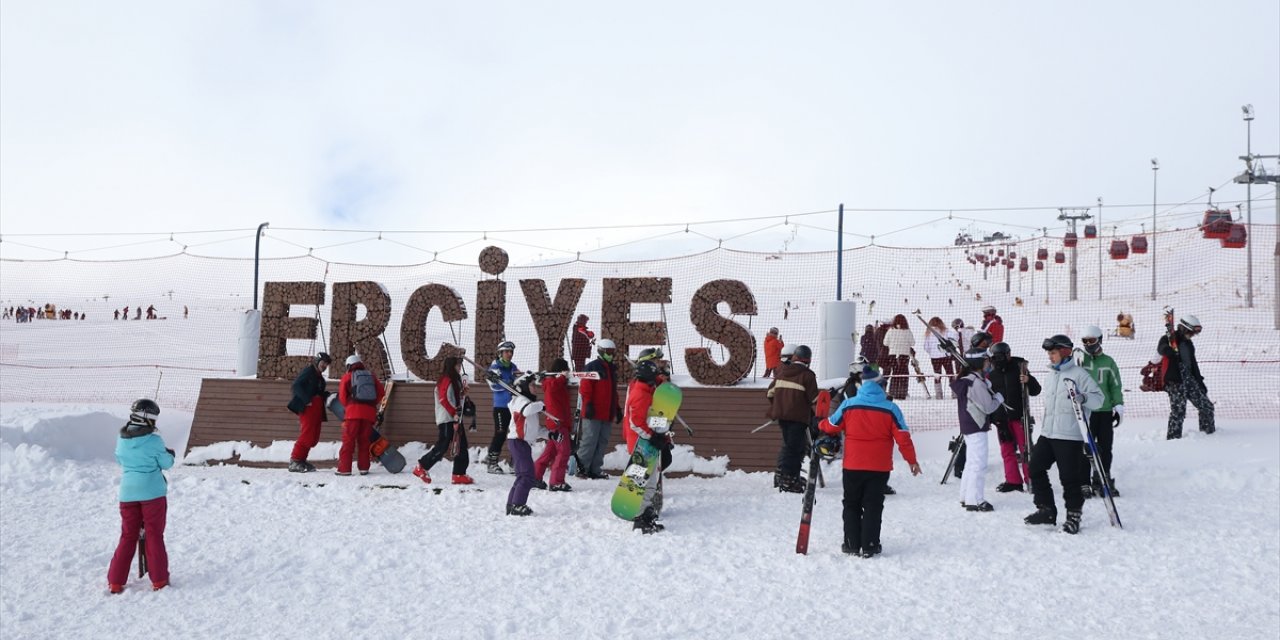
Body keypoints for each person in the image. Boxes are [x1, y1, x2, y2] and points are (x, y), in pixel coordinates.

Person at [818, 365, 921, 558]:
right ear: (880, 385)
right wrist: (912, 461)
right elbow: (903, 437)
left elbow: (832, 425)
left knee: (851, 504)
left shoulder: (849, 405)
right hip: (879, 467)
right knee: (873, 505)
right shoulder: (891, 408)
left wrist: (820, 423)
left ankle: (851, 544)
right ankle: (870, 545)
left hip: (853, 465)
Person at [1024, 335, 1103, 535]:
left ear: (1065, 352)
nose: (1050, 356)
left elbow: (1098, 400)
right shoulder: (1051, 374)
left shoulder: (1079, 374)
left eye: (1053, 352)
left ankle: (1073, 516)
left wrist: (1082, 397)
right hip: (1049, 432)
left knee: (1069, 477)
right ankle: (1046, 509)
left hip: (1069, 435)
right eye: (1049, 353)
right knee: (1035, 468)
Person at [107, 399, 175, 593]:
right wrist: (169, 454)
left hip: (128, 494)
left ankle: (115, 581)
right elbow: (167, 463)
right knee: (154, 534)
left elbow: (120, 458)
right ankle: (159, 579)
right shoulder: (154, 440)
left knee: (128, 535)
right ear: (150, 419)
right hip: (153, 494)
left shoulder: (122, 438)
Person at [623, 357, 673, 533]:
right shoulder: (640, 395)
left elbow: (656, 386)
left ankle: (645, 514)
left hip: (647, 444)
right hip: (640, 445)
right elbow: (635, 423)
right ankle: (639, 518)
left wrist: (663, 382)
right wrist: (653, 437)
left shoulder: (646, 388)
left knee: (651, 481)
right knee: (642, 483)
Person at [951, 351, 1003, 512]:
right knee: (978, 464)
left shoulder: (970, 380)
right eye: (987, 361)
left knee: (971, 462)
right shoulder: (976, 383)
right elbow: (988, 407)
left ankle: (965, 495)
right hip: (976, 425)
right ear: (980, 362)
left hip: (969, 425)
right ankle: (975, 500)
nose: (989, 364)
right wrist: (998, 399)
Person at [986, 342, 1041, 493]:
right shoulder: (991, 375)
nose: (1000, 359)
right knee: (1007, 450)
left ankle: (1032, 480)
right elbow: (989, 399)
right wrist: (993, 419)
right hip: (1002, 420)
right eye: (996, 357)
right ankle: (1013, 481)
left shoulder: (1019, 369)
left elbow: (1036, 391)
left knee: (1026, 450)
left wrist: (1029, 380)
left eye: (1003, 356)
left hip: (1019, 417)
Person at [412, 356, 475, 485]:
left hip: (455, 417)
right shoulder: (446, 379)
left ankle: (459, 473)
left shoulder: (454, 379)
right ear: (451, 366)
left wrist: (463, 394)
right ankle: (421, 466)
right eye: (457, 365)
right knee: (443, 445)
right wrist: (454, 414)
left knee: (461, 446)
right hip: (447, 418)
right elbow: (444, 399)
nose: (459, 367)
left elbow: (452, 397)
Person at [1077, 326, 1124, 496]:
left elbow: (1115, 385)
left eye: (1092, 341)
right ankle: (1083, 482)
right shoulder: (1081, 361)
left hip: (1104, 411)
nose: (1088, 344)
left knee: (1105, 446)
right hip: (1086, 411)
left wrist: (1118, 405)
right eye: (1085, 341)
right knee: (1085, 447)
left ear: (1100, 340)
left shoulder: (1108, 362)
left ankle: (1103, 478)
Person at [766, 344, 819, 493]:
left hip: (782, 417)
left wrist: (779, 405)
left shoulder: (782, 372)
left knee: (788, 446)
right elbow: (814, 399)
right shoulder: (808, 375)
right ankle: (789, 480)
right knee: (796, 449)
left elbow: (770, 393)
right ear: (808, 360)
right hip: (798, 418)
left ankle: (782, 474)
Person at [1157, 315, 1214, 439]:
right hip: (1175, 381)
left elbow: (1193, 365)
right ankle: (1173, 439)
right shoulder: (1168, 339)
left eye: (1194, 333)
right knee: (1178, 412)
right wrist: (1169, 351)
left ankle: (1207, 435)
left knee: (1207, 407)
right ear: (1184, 328)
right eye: (1191, 332)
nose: (1193, 335)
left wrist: (1200, 383)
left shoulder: (1188, 344)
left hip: (1189, 379)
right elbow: (1161, 348)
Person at [576, 339, 621, 479]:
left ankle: (595, 469)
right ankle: (582, 468)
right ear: (601, 351)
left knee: (602, 441)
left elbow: (613, 392)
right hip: (593, 412)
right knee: (589, 440)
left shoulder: (612, 369)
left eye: (612, 352)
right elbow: (585, 387)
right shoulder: (592, 366)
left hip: (607, 412)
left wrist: (617, 408)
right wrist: (588, 404)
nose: (611, 355)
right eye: (608, 352)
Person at [505, 372, 546, 516]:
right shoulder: (520, 400)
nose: (535, 388)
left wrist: (550, 434)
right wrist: (541, 405)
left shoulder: (530, 404)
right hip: (518, 442)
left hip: (523, 443)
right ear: (523, 387)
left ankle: (512, 504)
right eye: (532, 385)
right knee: (528, 475)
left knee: (522, 475)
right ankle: (518, 505)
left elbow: (534, 430)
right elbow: (526, 411)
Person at [337, 354, 384, 476]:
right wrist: (371, 404)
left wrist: (349, 405)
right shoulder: (371, 376)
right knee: (364, 441)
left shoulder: (347, 377)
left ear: (348, 365)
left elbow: (342, 397)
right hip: (369, 414)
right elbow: (381, 393)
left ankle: (344, 469)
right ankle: (364, 468)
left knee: (349, 441)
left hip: (353, 414)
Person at [286, 352, 332, 473]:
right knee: (307, 434)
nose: (325, 366)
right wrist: (306, 400)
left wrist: (328, 395)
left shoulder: (320, 378)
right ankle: (295, 461)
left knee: (313, 437)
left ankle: (301, 460)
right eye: (323, 363)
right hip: (308, 408)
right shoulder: (309, 371)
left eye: (326, 364)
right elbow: (296, 385)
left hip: (317, 409)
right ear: (317, 361)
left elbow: (318, 392)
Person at [533, 358, 574, 491]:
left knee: (549, 453)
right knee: (564, 452)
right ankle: (556, 481)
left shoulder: (556, 382)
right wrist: (561, 377)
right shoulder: (551, 382)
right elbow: (551, 388)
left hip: (560, 422)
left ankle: (535, 476)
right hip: (557, 423)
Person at [484, 340, 522, 473]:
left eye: (511, 352)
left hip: (514, 406)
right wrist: (506, 382)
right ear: (500, 353)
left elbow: (519, 380)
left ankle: (514, 462)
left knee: (516, 433)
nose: (509, 354)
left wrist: (522, 378)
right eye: (506, 351)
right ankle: (492, 462)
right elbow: (494, 385)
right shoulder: (495, 367)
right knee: (500, 434)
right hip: (501, 407)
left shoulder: (512, 367)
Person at [922, 316, 959, 399]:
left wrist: (932, 352)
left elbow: (926, 346)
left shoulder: (928, 332)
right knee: (950, 374)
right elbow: (954, 339)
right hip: (945, 356)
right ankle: (954, 393)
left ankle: (939, 395)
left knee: (937, 375)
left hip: (934, 357)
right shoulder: (946, 331)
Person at [882, 314, 915, 400]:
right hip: (904, 355)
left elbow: (885, 342)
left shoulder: (890, 331)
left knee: (895, 373)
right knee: (904, 373)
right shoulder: (907, 331)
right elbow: (912, 343)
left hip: (893, 354)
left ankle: (893, 392)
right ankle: (902, 393)